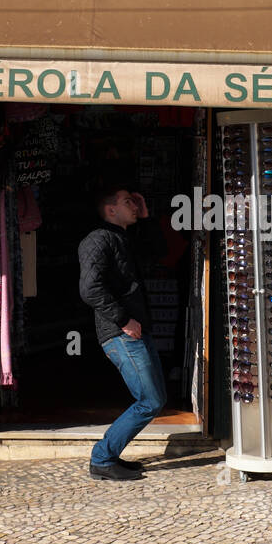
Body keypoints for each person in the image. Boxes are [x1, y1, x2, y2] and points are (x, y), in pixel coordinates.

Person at [78, 186, 167, 481]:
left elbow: (160, 252)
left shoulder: (124, 239)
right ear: (110, 209)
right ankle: (102, 458)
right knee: (150, 401)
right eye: (128, 201)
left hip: (136, 330)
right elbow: (90, 289)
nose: (134, 204)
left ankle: (109, 456)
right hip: (121, 333)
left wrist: (146, 216)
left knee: (156, 398)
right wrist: (123, 319)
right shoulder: (98, 239)